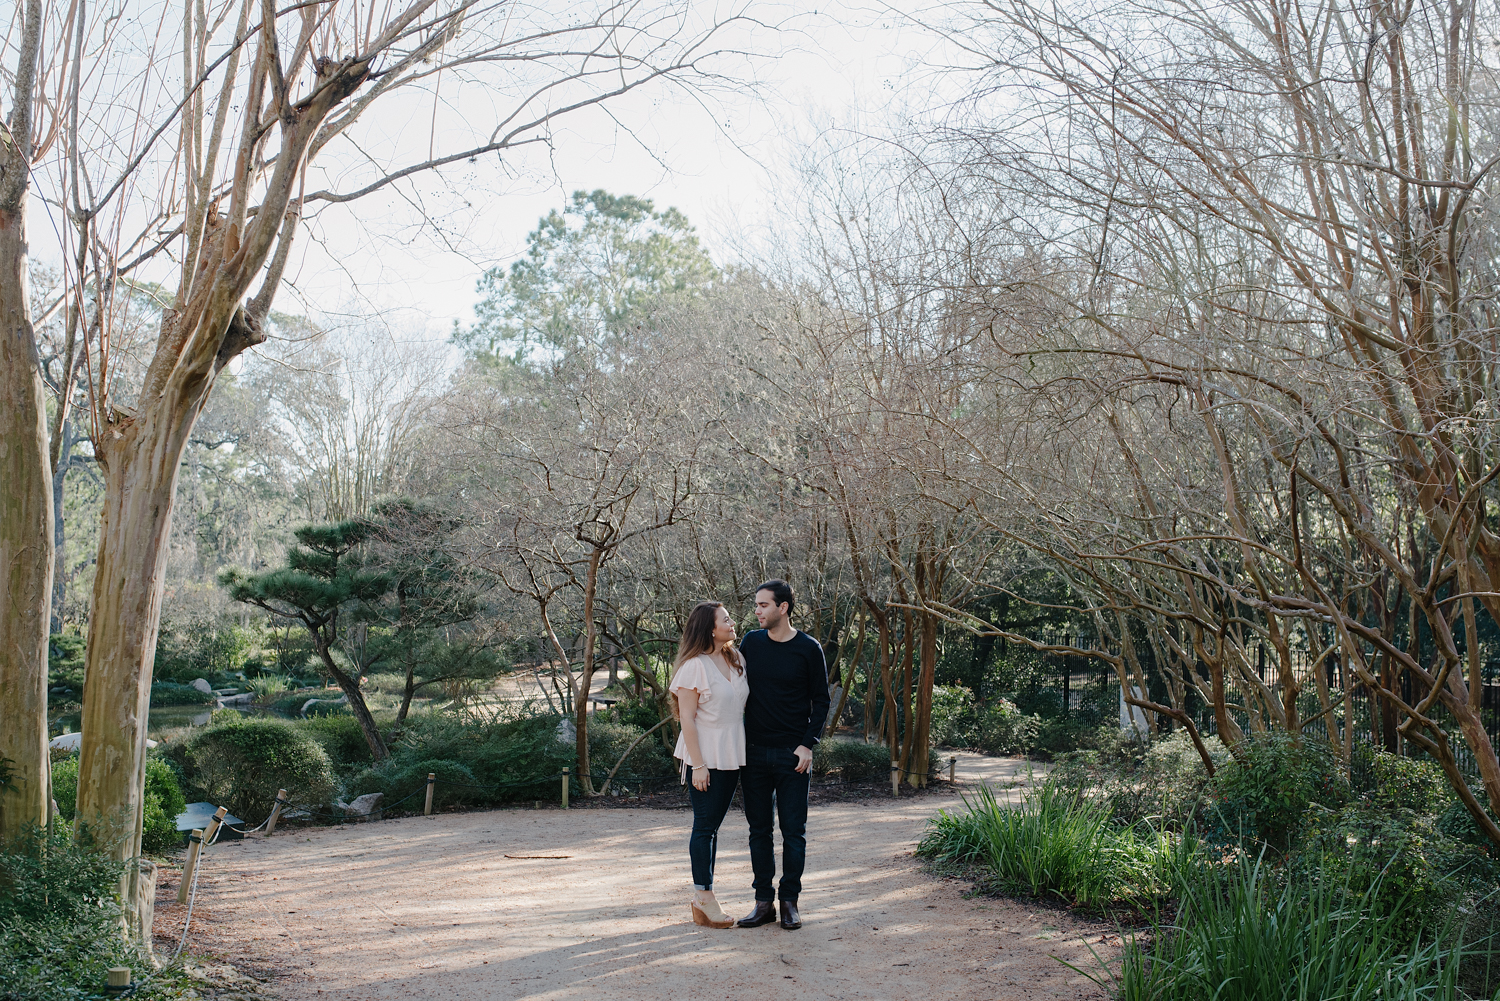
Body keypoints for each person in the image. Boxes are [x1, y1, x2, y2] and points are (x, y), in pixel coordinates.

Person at [736, 579, 830, 931]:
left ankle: (789, 901)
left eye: (763, 605)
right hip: (754, 752)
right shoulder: (751, 642)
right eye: (756, 605)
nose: (757, 611)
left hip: (794, 755)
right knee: (758, 830)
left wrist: (808, 744)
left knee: (794, 831)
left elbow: (821, 701)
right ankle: (763, 903)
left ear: (783, 607)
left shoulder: (809, 648)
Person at [669, 600, 749, 929]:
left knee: (713, 827)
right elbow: (686, 718)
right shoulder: (694, 666)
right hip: (705, 755)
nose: (732, 623)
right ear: (710, 628)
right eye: (725, 619)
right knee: (704, 826)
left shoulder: (736, 657)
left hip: (732, 751)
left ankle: (705, 899)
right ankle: (704, 897)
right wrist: (698, 765)